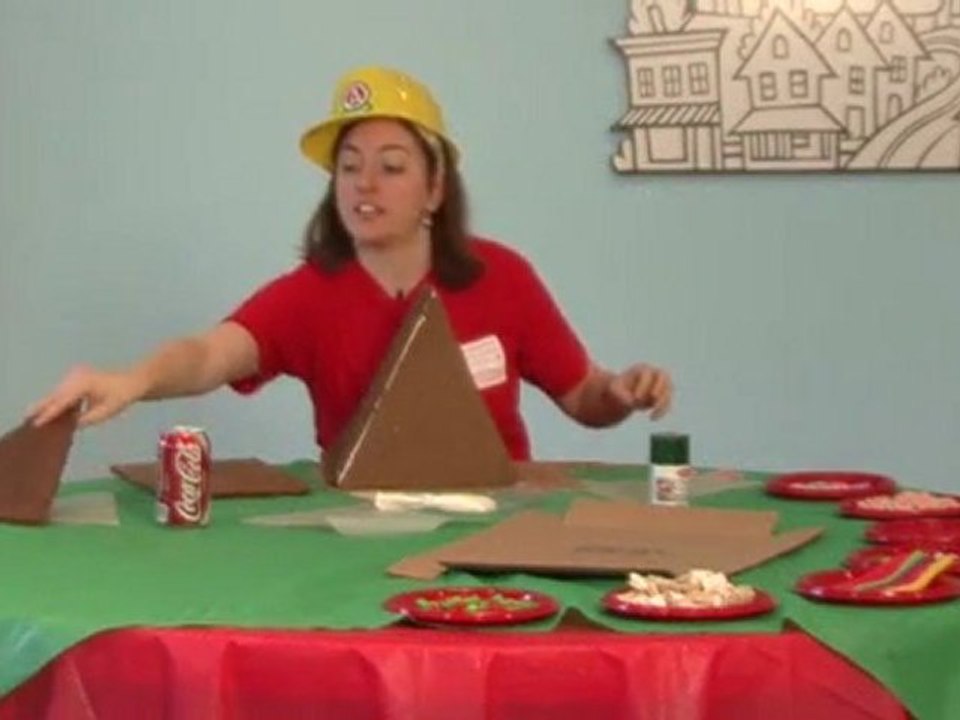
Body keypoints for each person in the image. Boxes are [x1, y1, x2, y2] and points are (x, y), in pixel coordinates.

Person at [30, 66, 672, 461]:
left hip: (498, 528)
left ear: (435, 189)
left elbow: (586, 397)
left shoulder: (503, 277)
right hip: (358, 534)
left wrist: (620, 391)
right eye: (349, 167)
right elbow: (209, 354)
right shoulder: (308, 296)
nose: (366, 184)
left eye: (391, 167)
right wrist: (135, 379)